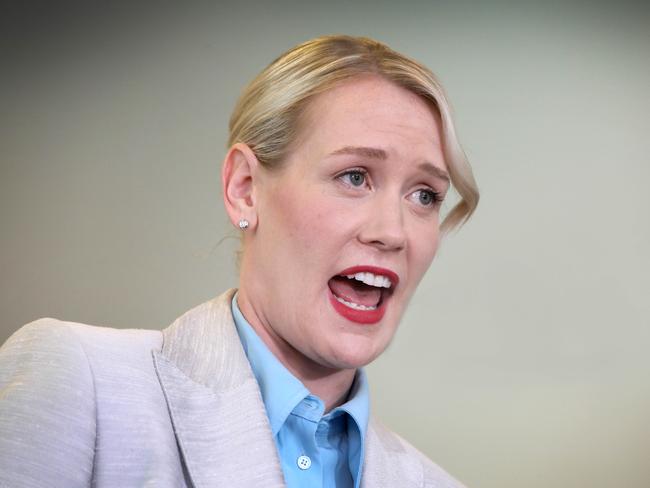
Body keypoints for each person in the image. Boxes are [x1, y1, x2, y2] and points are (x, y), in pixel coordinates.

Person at [0, 35, 478, 487]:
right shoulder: (82, 384)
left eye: (424, 195)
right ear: (244, 189)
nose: (392, 232)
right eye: (354, 176)